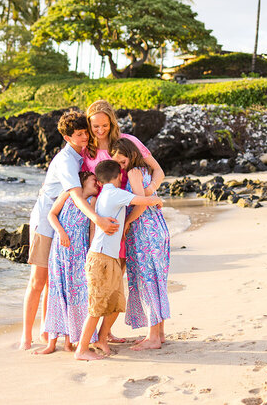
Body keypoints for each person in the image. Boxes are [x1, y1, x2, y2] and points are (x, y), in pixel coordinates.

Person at [19, 110, 119, 351]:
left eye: (86, 132)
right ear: (67, 137)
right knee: (38, 280)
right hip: (47, 220)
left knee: (56, 281)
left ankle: (49, 332)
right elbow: (75, 194)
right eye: (79, 134)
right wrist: (97, 218)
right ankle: (26, 337)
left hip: (66, 222)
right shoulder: (66, 160)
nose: (85, 137)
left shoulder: (80, 154)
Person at [82, 99, 166, 343]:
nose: (99, 130)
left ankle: (105, 335)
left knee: (123, 276)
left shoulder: (128, 142)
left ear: (112, 123)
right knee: (105, 277)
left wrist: (148, 192)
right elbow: (83, 187)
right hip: (104, 222)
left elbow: (158, 170)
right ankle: (102, 336)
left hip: (131, 218)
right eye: (94, 126)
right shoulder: (87, 151)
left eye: (104, 125)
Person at [74, 160, 163, 361]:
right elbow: (144, 200)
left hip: (109, 258)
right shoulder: (113, 193)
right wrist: (157, 199)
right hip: (101, 258)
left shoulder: (108, 194)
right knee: (97, 307)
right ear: (119, 177)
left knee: (115, 304)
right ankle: (81, 349)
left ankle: (101, 339)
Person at [111, 137, 171, 350]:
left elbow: (141, 204)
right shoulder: (143, 172)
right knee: (156, 280)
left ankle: (153, 337)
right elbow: (147, 197)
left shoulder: (135, 173)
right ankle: (159, 333)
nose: (120, 166)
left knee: (147, 281)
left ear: (132, 156)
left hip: (145, 232)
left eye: (122, 161)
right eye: (116, 163)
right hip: (156, 229)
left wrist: (127, 222)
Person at [35, 171, 101, 355]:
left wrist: (90, 254)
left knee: (76, 293)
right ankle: (51, 342)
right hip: (59, 250)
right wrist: (61, 232)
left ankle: (71, 341)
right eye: (93, 180)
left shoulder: (93, 201)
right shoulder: (69, 192)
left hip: (79, 253)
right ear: (82, 181)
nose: (96, 183)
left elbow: (92, 230)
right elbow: (52, 214)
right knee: (58, 290)